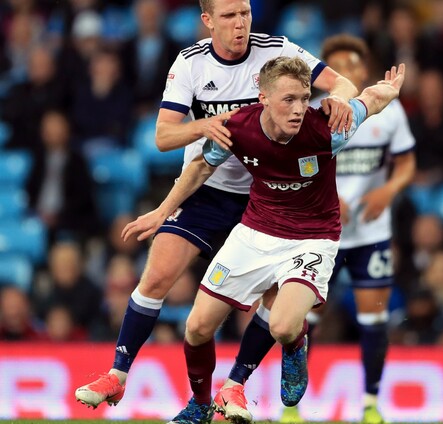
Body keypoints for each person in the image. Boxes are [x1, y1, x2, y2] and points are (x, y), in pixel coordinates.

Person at [74, 0, 357, 413]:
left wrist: (341, 99)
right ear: (207, 21)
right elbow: (163, 137)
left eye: (245, 13)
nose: (240, 23)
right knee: (158, 274)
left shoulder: (277, 50)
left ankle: (239, 381)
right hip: (207, 188)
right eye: (229, 16)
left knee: (275, 301)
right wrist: (202, 126)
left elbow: (342, 83)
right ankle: (119, 375)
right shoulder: (190, 64)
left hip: (267, 194)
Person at [123, 56, 406, 424]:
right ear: (264, 99)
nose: (299, 108)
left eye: (304, 98)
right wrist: (162, 211)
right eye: (289, 99)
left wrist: (389, 89)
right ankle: (200, 405)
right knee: (197, 327)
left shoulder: (328, 128)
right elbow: (202, 165)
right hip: (256, 232)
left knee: (284, 326)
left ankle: (281, 353)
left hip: (312, 238)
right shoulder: (238, 127)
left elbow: (370, 100)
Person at [282, 34, 416, 424]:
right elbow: (293, 168)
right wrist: (324, 194)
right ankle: (290, 407)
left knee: (373, 318)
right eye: (337, 66)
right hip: (323, 233)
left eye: (352, 64)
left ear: (364, 69)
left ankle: (371, 405)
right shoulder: (310, 112)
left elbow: (406, 163)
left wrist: (388, 190)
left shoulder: (389, 111)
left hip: (371, 234)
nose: (345, 71)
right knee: (303, 319)